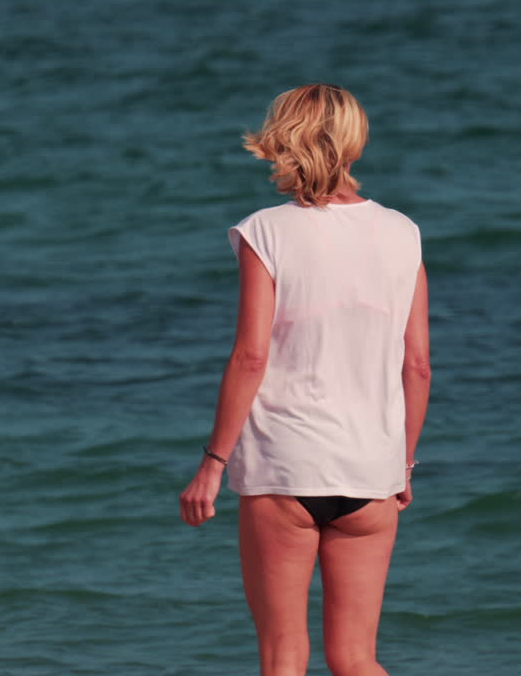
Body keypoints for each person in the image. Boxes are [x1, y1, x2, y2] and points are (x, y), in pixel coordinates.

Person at [179, 83, 431, 676]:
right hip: (372, 470)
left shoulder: (266, 232)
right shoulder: (403, 232)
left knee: (283, 658)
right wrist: (403, 463)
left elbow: (251, 356)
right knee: (356, 659)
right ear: (355, 143)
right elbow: (417, 364)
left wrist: (212, 465)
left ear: (283, 141)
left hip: (285, 466)